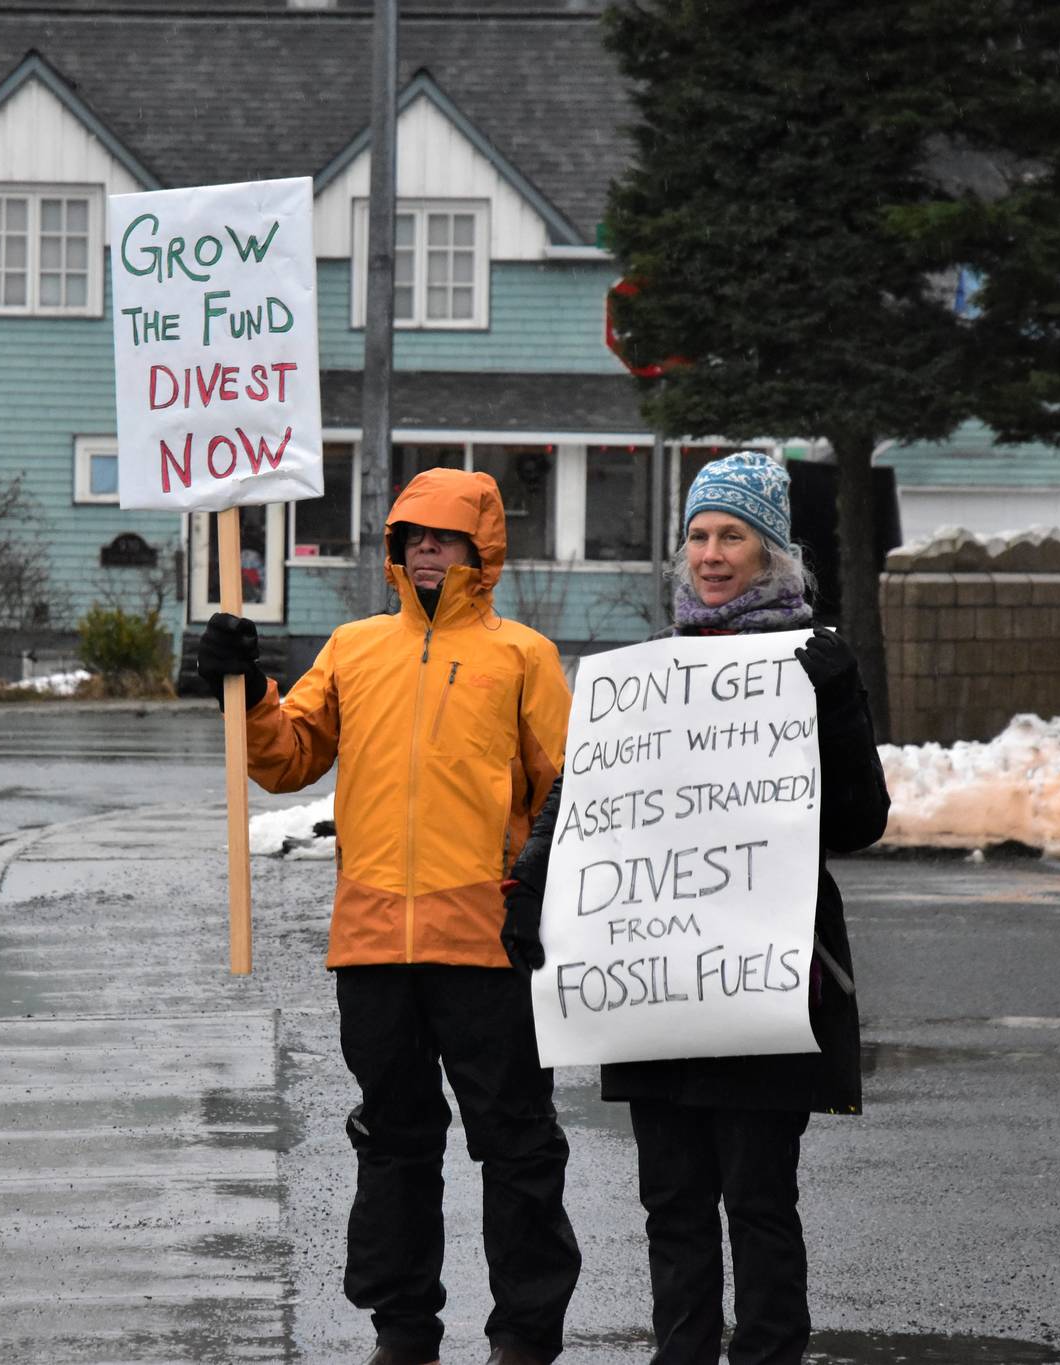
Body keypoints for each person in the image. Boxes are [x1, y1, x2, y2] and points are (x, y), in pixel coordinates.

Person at [503, 450, 889, 1365]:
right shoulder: (648, 675)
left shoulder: (810, 664)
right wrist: (530, 884)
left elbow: (860, 820)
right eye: (700, 535)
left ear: (773, 553)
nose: (712, 553)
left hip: (761, 976)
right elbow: (580, 796)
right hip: (660, 983)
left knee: (759, 1200)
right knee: (670, 1201)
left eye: (733, 536)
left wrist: (836, 699)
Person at [196, 467, 581, 1365]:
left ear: (482, 549)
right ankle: (402, 1327)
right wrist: (246, 690)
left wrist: (532, 883)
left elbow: (570, 783)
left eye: (443, 537)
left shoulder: (522, 656)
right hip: (372, 947)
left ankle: (524, 1332)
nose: (425, 550)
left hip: (486, 946)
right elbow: (288, 758)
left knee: (517, 1146)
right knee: (393, 1144)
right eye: (411, 536)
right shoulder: (354, 648)